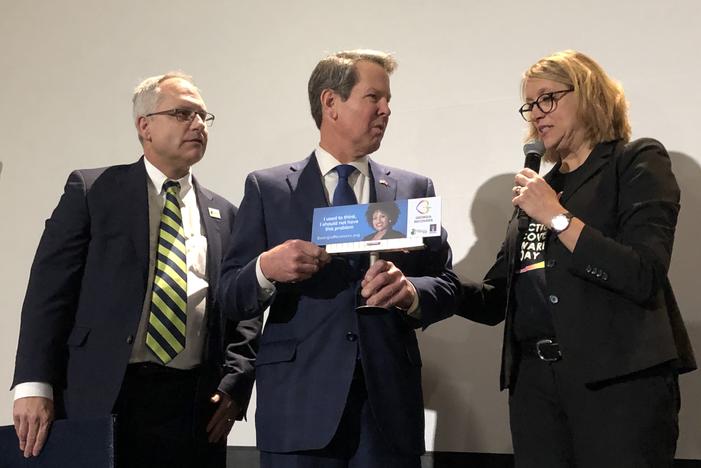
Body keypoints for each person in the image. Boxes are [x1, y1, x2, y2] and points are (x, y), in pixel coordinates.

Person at [217, 49, 459, 468]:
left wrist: (410, 293)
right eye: (374, 98)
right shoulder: (269, 189)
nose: (386, 110)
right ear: (331, 102)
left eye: (388, 101)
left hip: (387, 410)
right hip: (298, 406)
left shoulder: (412, 188)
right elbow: (230, 296)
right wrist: (266, 270)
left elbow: (447, 284)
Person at [458, 50, 696, 467]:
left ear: (589, 95)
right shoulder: (540, 191)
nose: (536, 113)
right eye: (530, 105)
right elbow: (497, 297)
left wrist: (556, 216)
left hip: (618, 385)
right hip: (535, 388)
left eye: (548, 98)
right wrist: (416, 290)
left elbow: (643, 273)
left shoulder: (635, 161)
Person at [11, 72, 261, 468]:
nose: (197, 124)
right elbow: (49, 292)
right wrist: (32, 384)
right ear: (145, 126)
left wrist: (234, 385)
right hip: (105, 392)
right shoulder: (94, 191)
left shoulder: (226, 214)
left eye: (203, 116)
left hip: (193, 404)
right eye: (183, 113)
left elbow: (242, 312)